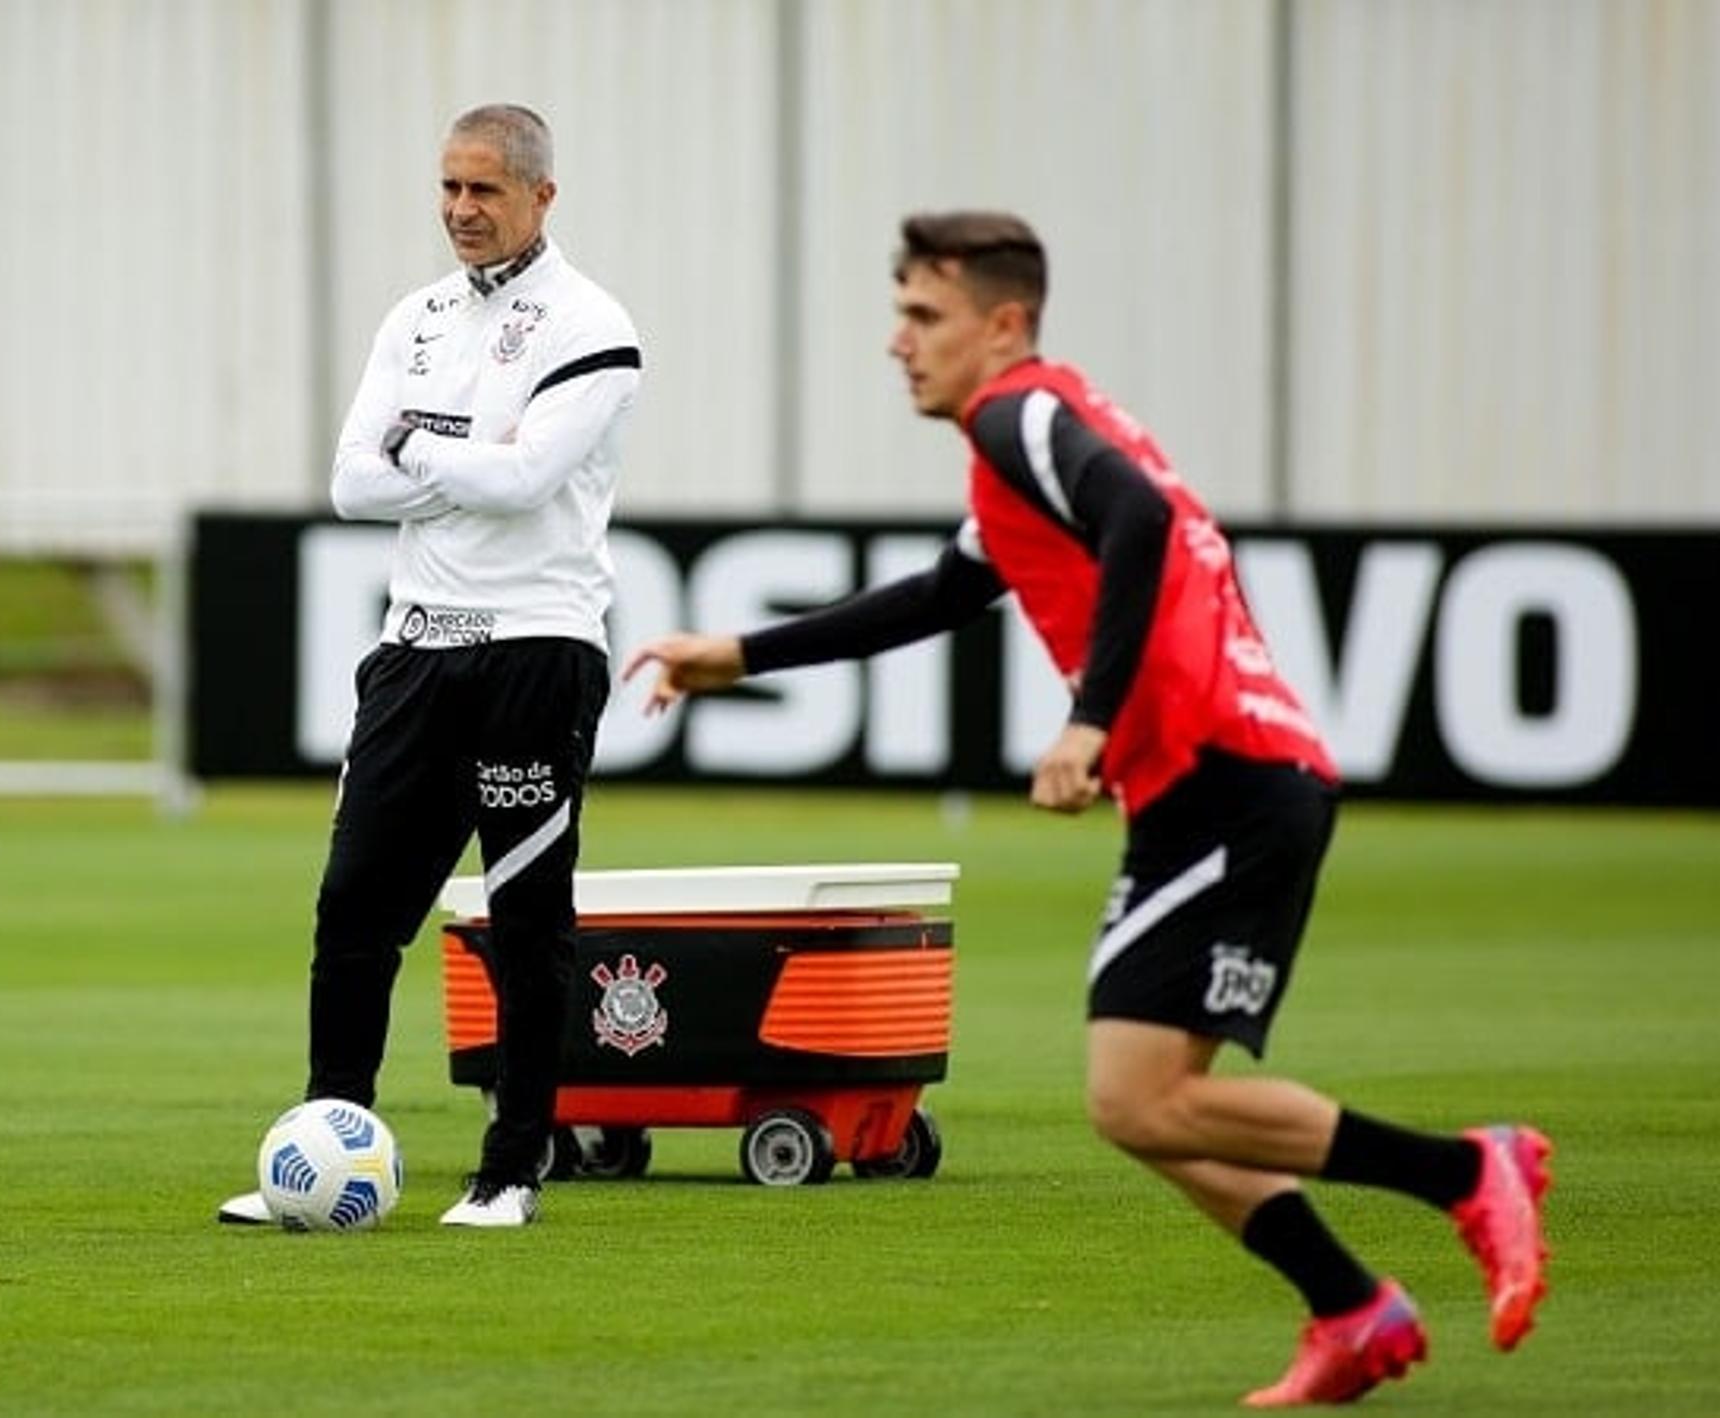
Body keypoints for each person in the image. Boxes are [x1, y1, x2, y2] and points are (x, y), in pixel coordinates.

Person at [624, 212, 1549, 1404]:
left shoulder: (1025, 414)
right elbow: (943, 592)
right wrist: (740, 654)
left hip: (1229, 775)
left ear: (1004, 323)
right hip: (1211, 785)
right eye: (898, 313)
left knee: (1136, 1096)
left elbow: (1144, 524)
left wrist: (1090, 719)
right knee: (1145, 1104)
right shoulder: (1022, 442)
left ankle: (1470, 1172)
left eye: (924, 316)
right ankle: (1354, 1306)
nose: (898, 342)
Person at [220, 103, 640, 1229]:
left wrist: (418, 440)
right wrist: (465, 452)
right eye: (449, 188)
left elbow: (526, 480)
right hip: (414, 649)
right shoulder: (413, 318)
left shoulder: (594, 323)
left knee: (525, 920)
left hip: (536, 647)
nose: (461, 210)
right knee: (354, 909)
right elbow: (351, 484)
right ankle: (322, 1144)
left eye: (485, 190)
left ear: (541, 195)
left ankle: (511, 1169)